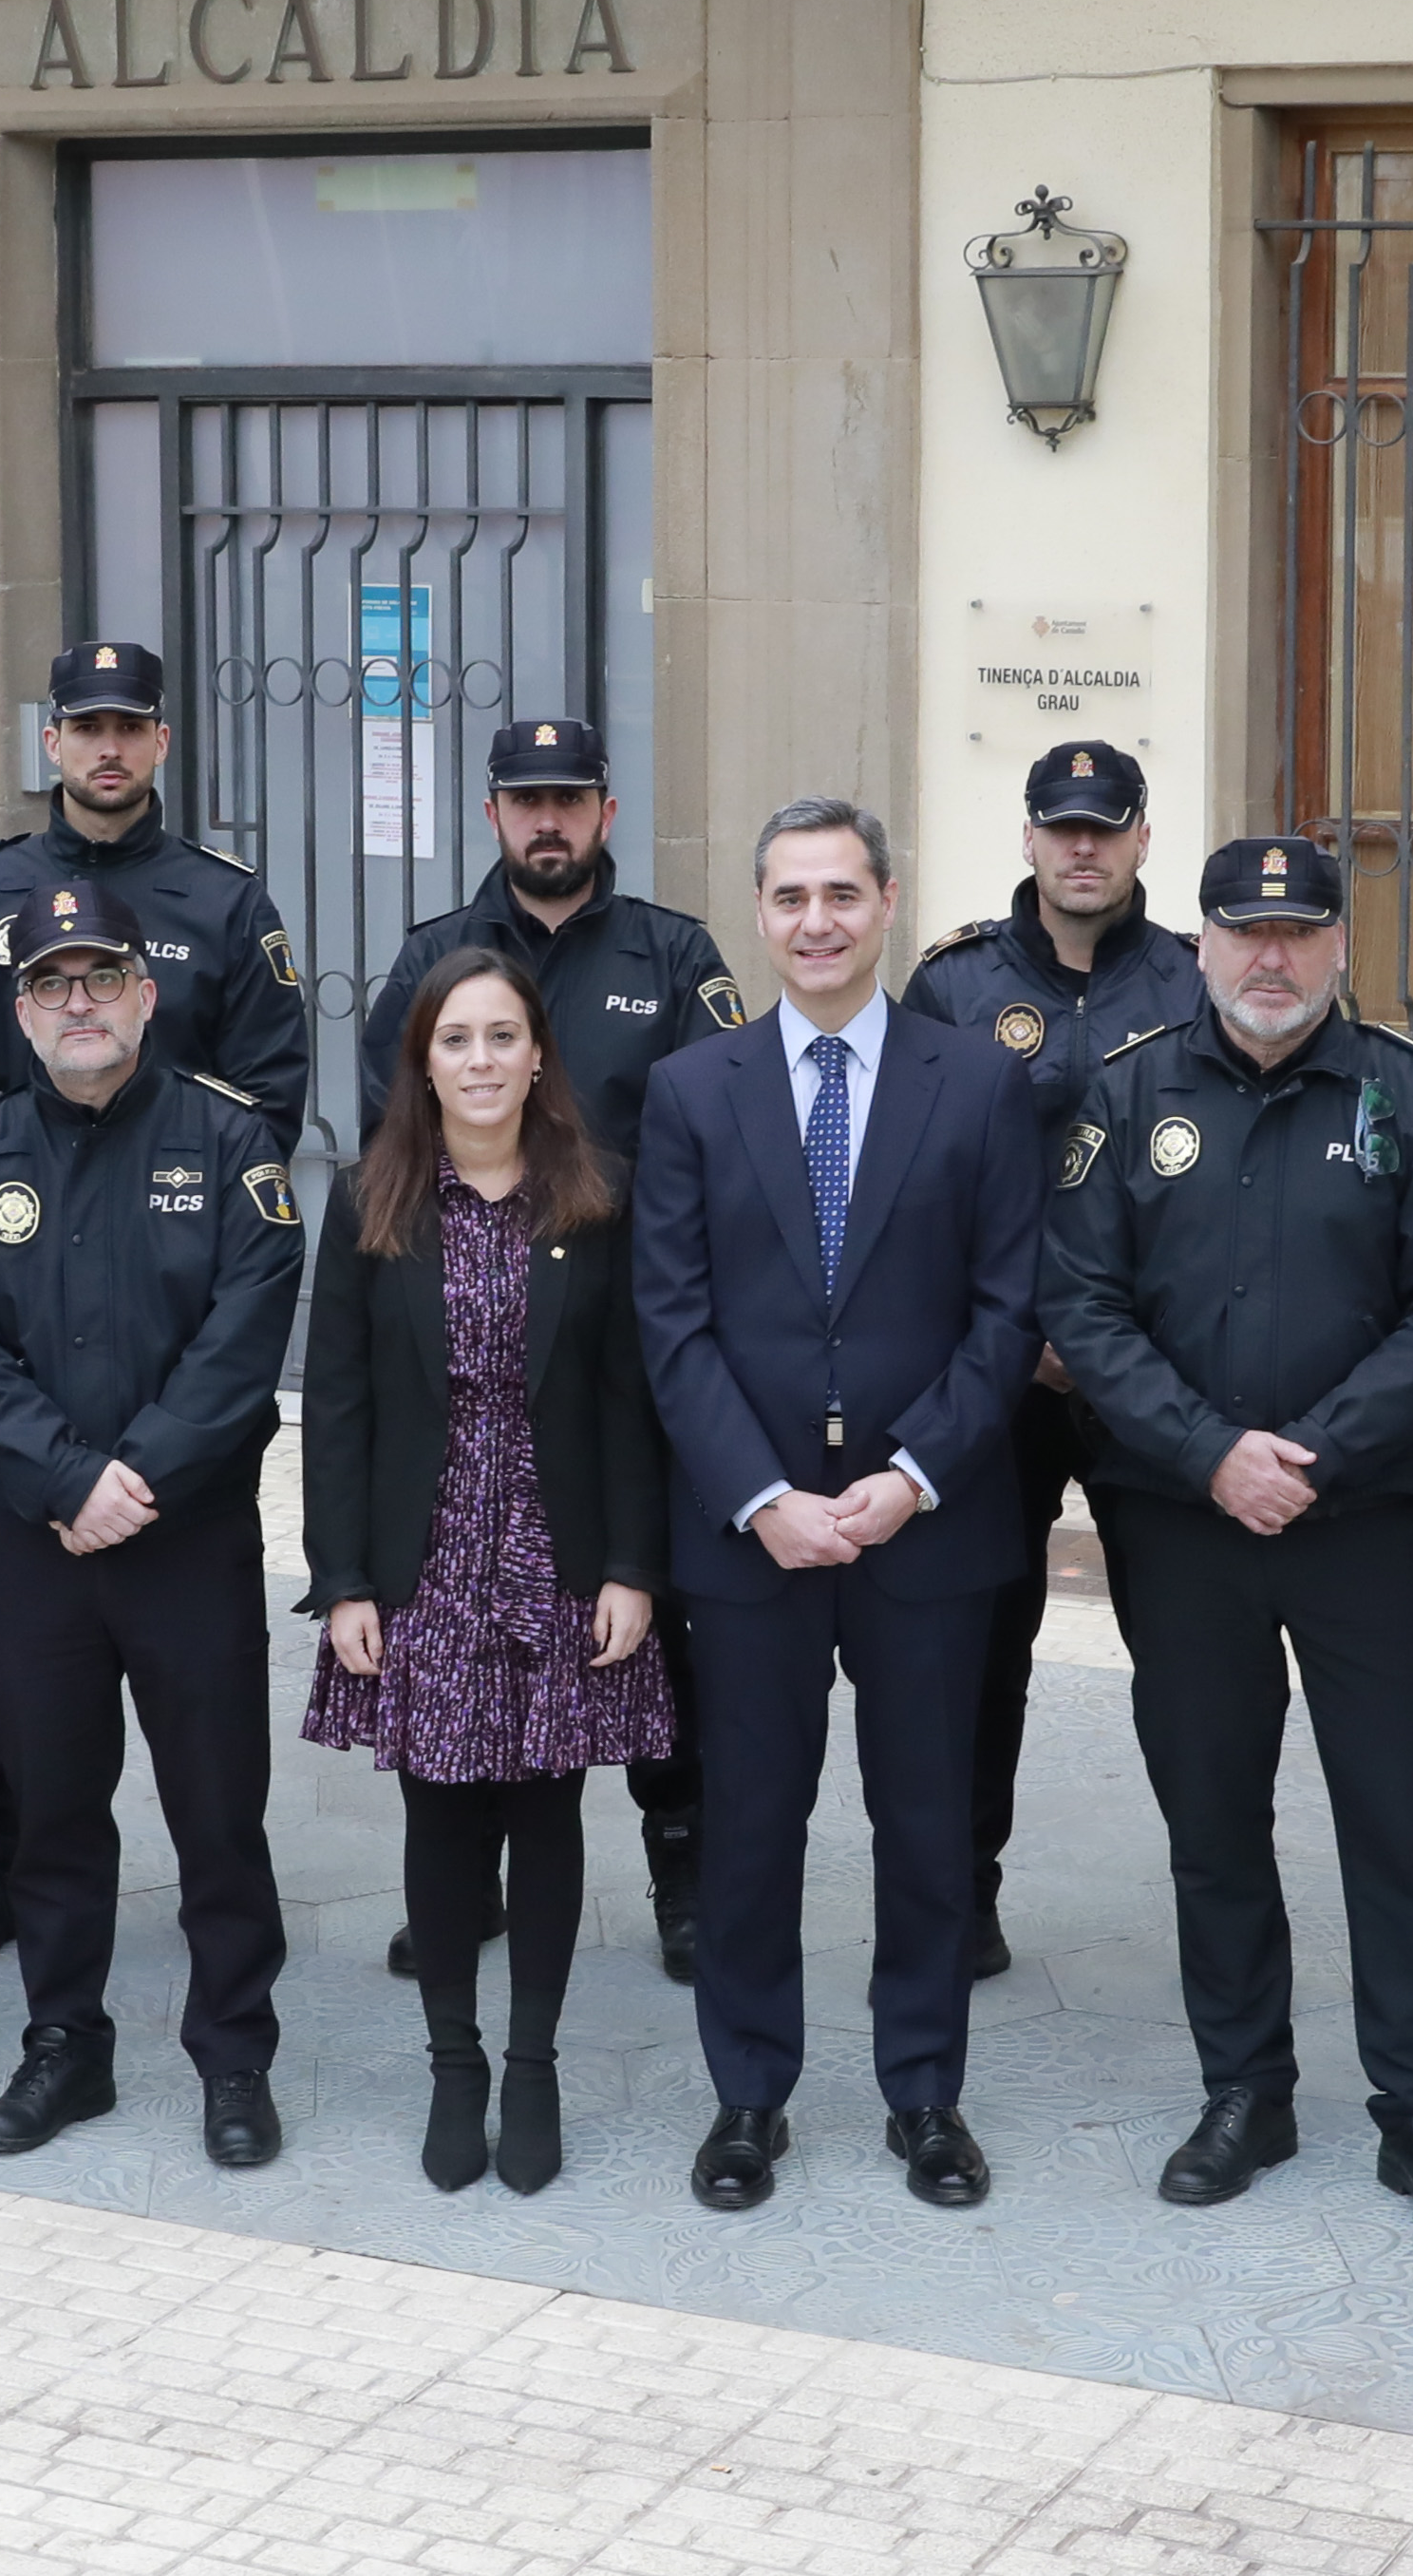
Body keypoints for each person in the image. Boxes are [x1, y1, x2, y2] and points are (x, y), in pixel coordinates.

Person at [1045, 837, 1413, 2241]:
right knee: (1212, 1819)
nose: (1270, 955)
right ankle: (1245, 2085)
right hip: (1180, 1522)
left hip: (1357, 1520)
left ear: (1337, 943)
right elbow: (1079, 1301)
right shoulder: (1125, 1095)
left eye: (1299, 929)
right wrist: (1208, 1451)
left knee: (1404, 1821)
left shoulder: (1412, 1096)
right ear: (1199, 944)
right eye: (1244, 930)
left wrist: (1309, 1453)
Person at [632, 798, 1047, 2215]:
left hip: (926, 1527)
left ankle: (925, 2091)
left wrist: (908, 1474)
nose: (816, 919)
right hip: (751, 1539)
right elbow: (670, 1323)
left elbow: (1007, 1310)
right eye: (790, 895)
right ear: (759, 913)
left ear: (886, 904)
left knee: (926, 1825)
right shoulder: (692, 1089)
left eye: (842, 893)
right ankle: (749, 2091)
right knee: (750, 1824)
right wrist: (761, 1495)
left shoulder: (977, 1083)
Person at [0, 640, 309, 1977]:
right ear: (53, 741)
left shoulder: (225, 901)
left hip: (177, 1350)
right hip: (28, 1345)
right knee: (41, 1699)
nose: (109, 747)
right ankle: (11, 1883)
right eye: (86, 725)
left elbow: (267, 1099)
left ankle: (230, 2034)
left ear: (162, 738)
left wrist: (146, 1440)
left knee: (208, 1769)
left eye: (131, 723)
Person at [349, 718, 741, 1984]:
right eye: (526, 800)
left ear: (608, 811)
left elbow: (717, 1145)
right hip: (471, 1340)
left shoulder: (673, 955)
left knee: (644, 1617)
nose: (548, 820)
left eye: (569, 798)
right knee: (462, 1624)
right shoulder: (432, 959)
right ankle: (466, 1880)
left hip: (629, 1332)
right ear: (494, 813)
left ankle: (681, 1869)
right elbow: (397, 1142)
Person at [302, 947, 674, 2193]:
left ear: (536, 1055)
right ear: (423, 1059)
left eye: (501, 1036)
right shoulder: (371, 1199)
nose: (478, 1060)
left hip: (555, 1548)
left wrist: (630, 1562)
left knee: (547, 1810)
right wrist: (344, 1578)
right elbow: (340, 1406)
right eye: (454, 1038)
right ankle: (453, 2062)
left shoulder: (594, 1193)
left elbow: (630, 1396)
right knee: (442, 1814)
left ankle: (531, 2062)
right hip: (426, 1553)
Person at [897, 740, 1205, 1977]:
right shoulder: (955, 986)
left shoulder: (1195, 981)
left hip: (1153, 1385)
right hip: (1000, 1381)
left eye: (1106, 827)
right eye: (1061, 826)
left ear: (1141, 839)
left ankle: (1212, 1898)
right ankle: (962, 1892)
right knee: (979, 1651)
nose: (1083, 848)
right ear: (1027, 837)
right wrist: (1010, 1342)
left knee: (1190, 1661)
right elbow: (913, 1194)